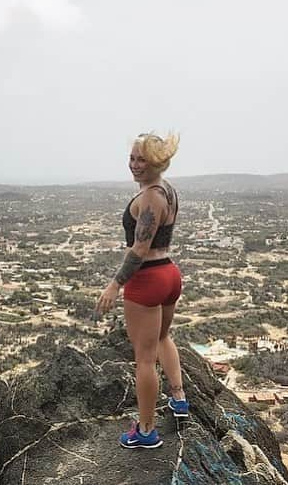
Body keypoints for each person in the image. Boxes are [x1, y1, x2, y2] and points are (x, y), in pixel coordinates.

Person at [95, 132, 189, 449]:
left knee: (145, 360)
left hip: (147, 279)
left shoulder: (150, 197)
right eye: (132, 158)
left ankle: (147, 431)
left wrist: (114, 284)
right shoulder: (168, 190)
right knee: (162, 337)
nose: (134, 165)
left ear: (158, 162)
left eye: (142, 160)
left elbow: (138, 250)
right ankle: (179, 398)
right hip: (169, 274)